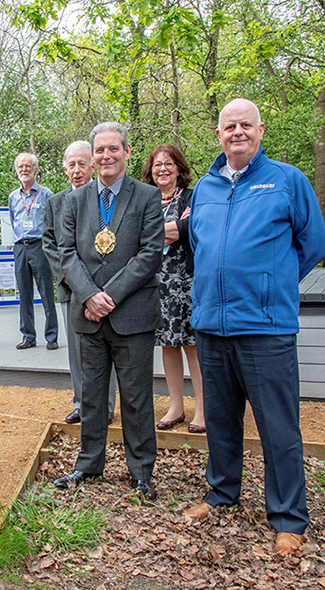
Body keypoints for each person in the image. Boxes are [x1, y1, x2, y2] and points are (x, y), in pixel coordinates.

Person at [182, 99, 325, 556]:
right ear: (219, 133)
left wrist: (272, 284)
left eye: (246, 124)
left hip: (265, 329)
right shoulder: (203, 188)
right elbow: (196, 247)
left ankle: (288, 517)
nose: (238, 132)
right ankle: (221, 493)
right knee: (222, 422)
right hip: (211, 326)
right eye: (230, 126)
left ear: (260, 130)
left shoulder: (286, 180)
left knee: (278, 428)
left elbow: (314, 245)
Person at [53, 122, 164, 497]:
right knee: (92, 396)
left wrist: (109, 295)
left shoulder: (148, 197)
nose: (105, 156)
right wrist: (88, 295)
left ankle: (141, 472)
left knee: (136, 397)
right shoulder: (74, 200)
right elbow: (66, 253)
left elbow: (150, 253)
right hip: (88, 316)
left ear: (127, 152)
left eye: (113, 149)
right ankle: (88, 464)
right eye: (99, 150)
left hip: (131, 313)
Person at [42, 141, 117, 425]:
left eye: (82, 164)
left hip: (102, 290)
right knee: (76, 351)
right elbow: (49, 243)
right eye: (71, 165)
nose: (77, 171)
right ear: (65, 169)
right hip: (70, 289)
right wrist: (69, 279)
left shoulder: (106, 198)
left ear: (93, 165)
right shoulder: (56, 202)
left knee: (105, 347)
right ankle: (81, 404)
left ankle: (105, 408)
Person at [139, 145, 205, 433]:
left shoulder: (194, 197)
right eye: (156, 165)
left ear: (179, 167)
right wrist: (175, 227)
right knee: (167, 345)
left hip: (187, 281)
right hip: (156, 283)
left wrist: (175, 229)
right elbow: (136, 237)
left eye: (168, 163)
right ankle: (176, 406)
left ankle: (202, 409)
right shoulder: (145, 201)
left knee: (192, 345)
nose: (162, 169)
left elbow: (192, 230)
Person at [8, 153, 58, 350]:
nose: (24, 170)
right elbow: (13, 221)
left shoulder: (46, 194)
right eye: (20, 166)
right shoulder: (13, 196)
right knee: (24, 295)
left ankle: (52, 336)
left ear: (35, 169)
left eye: (28, 166)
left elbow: (53, 222)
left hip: (40, 247)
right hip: (20, 247)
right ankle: (28, 336)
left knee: (46, 292)